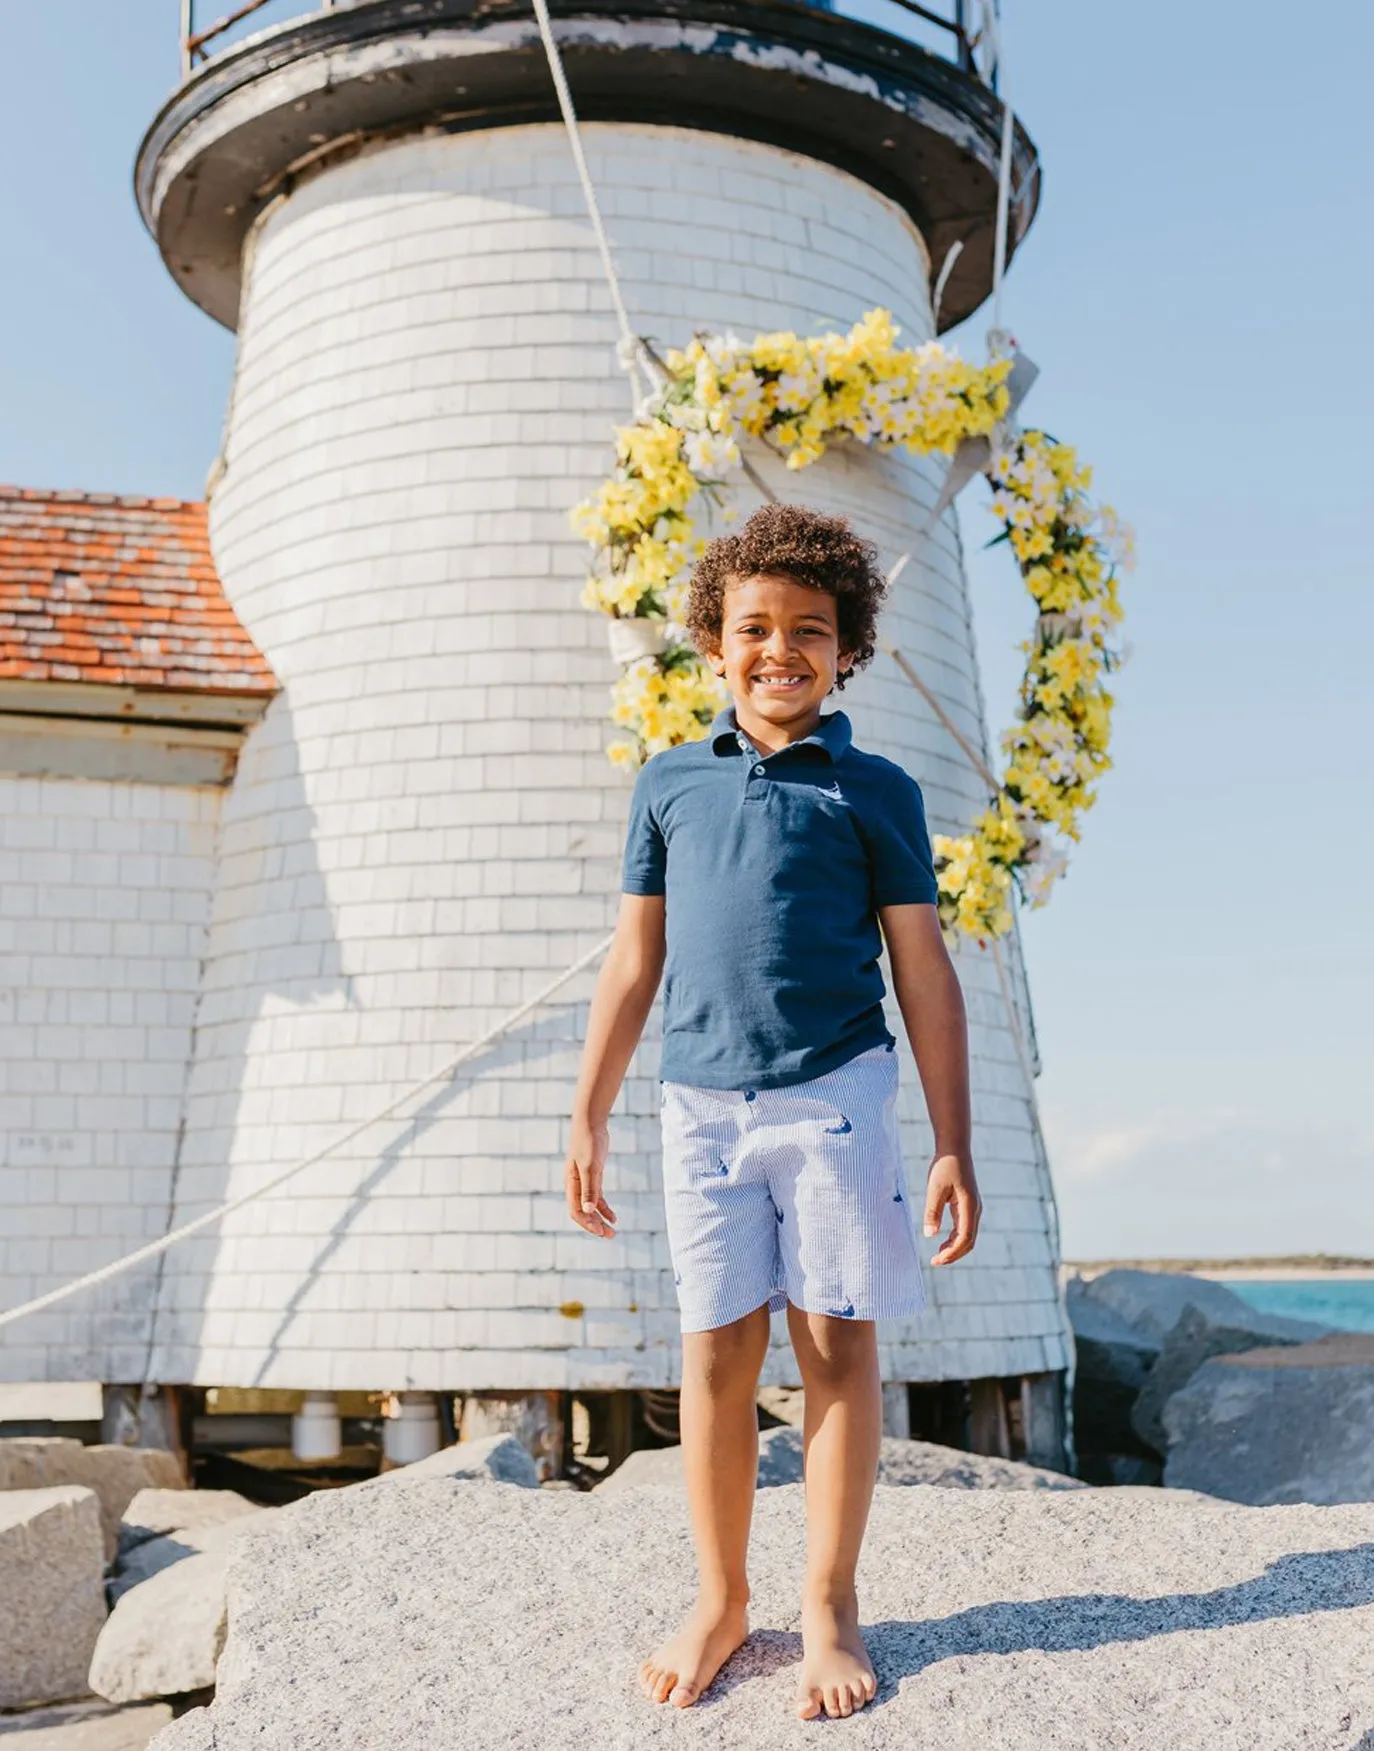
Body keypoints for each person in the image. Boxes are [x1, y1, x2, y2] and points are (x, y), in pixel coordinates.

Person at [564, 502, 982, 1721]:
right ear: (713, 641)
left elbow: (926, 972)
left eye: (810, 629)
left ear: (845, 647)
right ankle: (721, 1591)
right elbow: (633, 962)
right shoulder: (669, 783)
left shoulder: (877, 788)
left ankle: (830, 1598)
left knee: (838, 1347)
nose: (780, 650)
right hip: (699, 1105)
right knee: (713, 1351)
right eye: (754, 628)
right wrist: (588, 1112)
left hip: (836, 1094)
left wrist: (954, 1139)